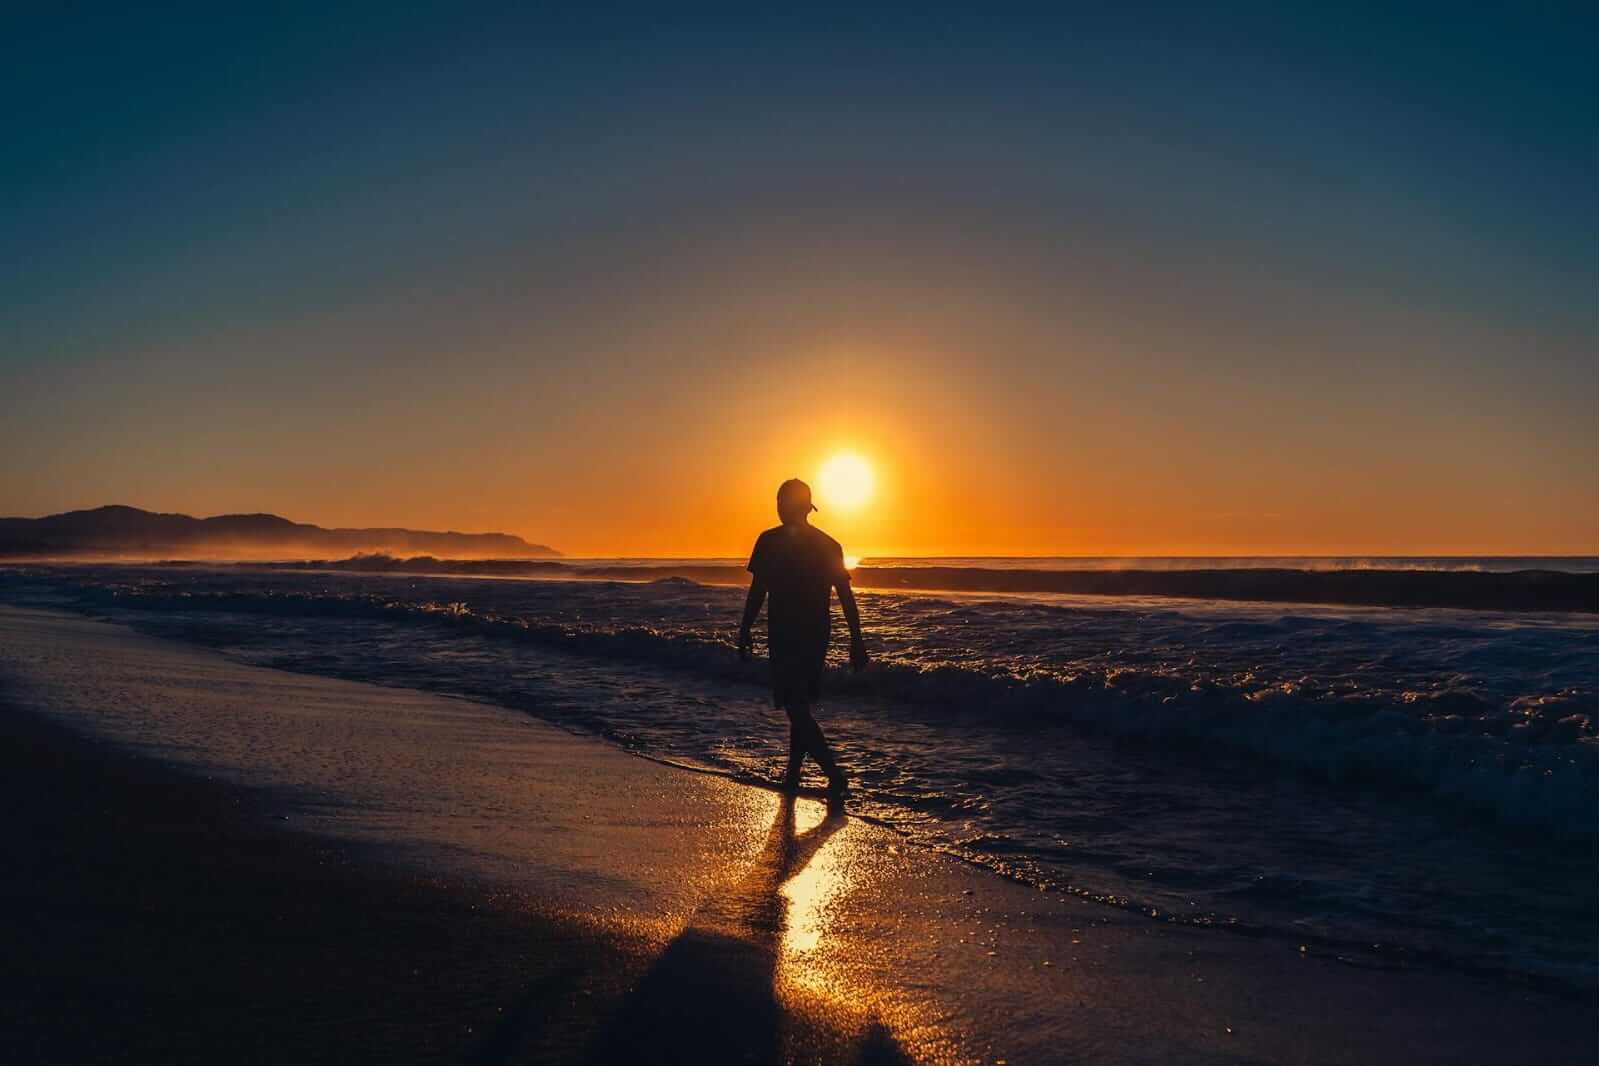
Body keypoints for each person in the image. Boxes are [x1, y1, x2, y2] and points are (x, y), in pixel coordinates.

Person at [738, 478, 868, 800]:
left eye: (783, 504)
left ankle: (834, 775)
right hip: (813, 634)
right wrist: (856, 639)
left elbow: (759, 592)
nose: (781, 510)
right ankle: (793, 776)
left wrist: (745, 629)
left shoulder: (772, 542)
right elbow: (846, 598)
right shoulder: (826, 544)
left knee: (796, 707)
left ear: (791, 506)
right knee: (799, 705)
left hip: (788, 634)